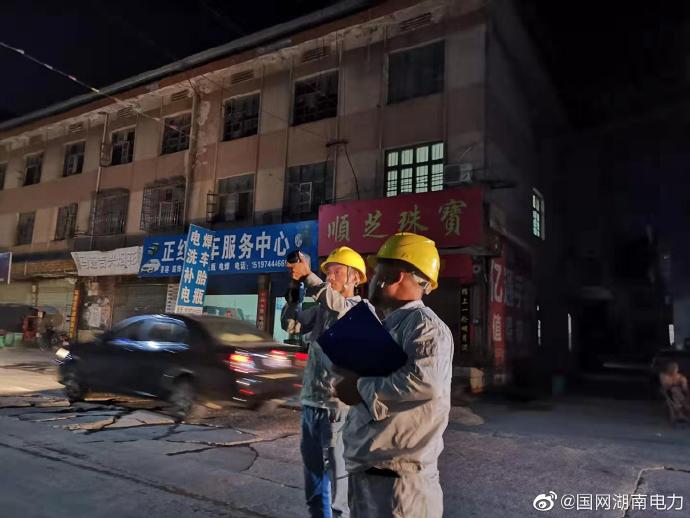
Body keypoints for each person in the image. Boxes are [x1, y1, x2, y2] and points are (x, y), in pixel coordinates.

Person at [335, 233, 454, 518]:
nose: (372, 279)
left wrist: (359, 387)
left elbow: (425, 383)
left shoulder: (426, 327)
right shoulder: (390, 326)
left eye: (377, 271)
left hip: (398, 489)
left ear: (394, 276)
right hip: (373, 475)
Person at [281, 246, 368, 518]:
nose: (330, 277)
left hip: (337, 409)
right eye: (328, 272)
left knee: (338, 477)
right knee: (314, 476)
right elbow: (290, 325)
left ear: (355, 277)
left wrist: (308, 276)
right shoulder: (322, 310)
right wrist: (294, 287)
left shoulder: (360, 310)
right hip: (311, 403)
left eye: (337, 272)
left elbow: (338, 307)